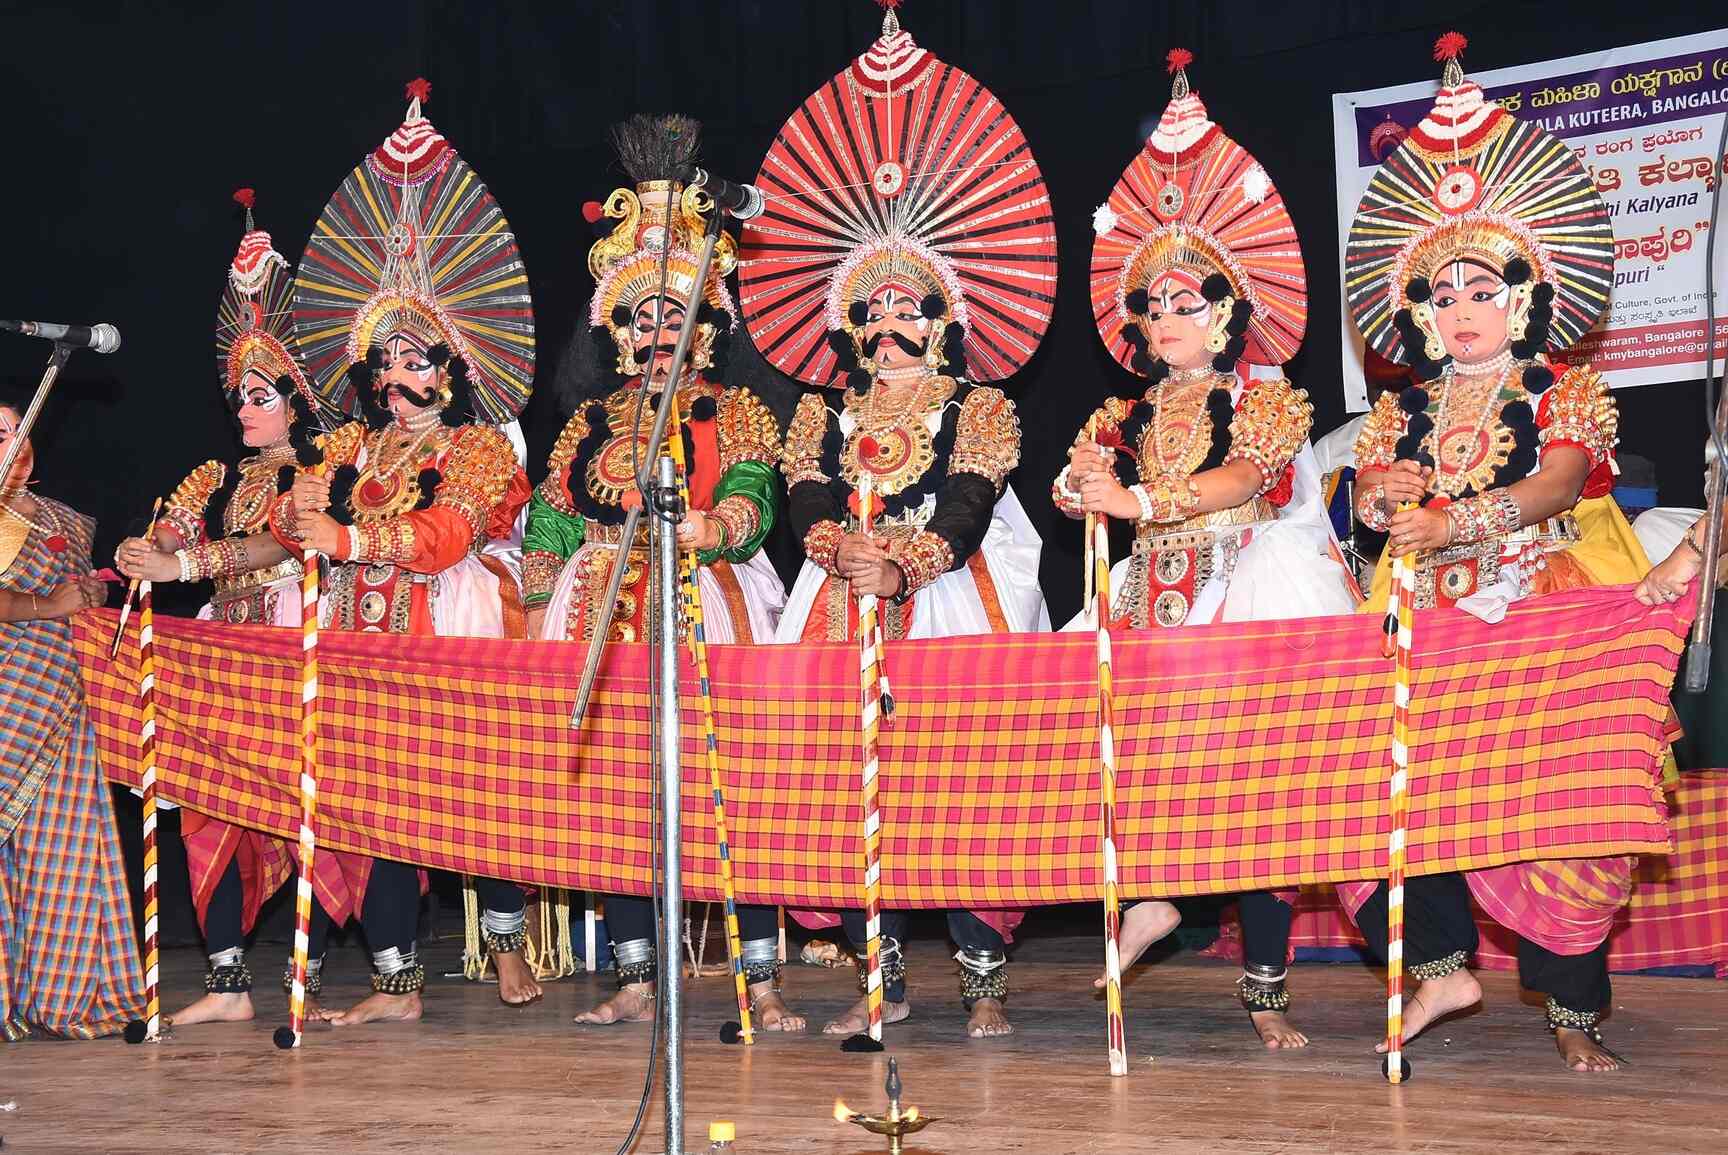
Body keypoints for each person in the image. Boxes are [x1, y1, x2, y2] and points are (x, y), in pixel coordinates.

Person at [737, 1, 1056, 1039]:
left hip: (951, 601)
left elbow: (970, 498)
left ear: (942, 315)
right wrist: (839, 550)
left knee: (963, 783)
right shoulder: (822, 410)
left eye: (905, 306)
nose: (886, 324)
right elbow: (803, 495)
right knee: (846, 785)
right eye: (868, 312)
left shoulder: (982, 405)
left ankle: (982, 981)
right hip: (844, 603)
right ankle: (881, 980)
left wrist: (909, 567)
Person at [1341, 33, 1649, 1072]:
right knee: (1377, 784)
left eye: (1481, 291)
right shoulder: (1401, 408)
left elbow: (1560, 485)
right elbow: (1377, 498)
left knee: (1558, 804)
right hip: (1422, 614)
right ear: (1421, 315)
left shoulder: (1561, 389)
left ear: (1522, 298)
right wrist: (1386, 501)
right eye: (1443, 296)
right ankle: (1439, 964)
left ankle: (1573, 1016)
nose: (1461, 311)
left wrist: (1459, 521)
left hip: (1540, 604)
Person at [1055, 48, 1358, 1049]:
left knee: (1258, 796)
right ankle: (1153, 899)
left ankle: (1266, 989)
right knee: (1139, 773)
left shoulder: (1265, 399)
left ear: (1227, 314)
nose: (1169, 318)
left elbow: (1251, 482)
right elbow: (1079, 485)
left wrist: (1139, 495)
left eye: (1189, 302)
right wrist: (1082, 490)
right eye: (1156, 305)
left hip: (1244, 594)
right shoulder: (1126, 406)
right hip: (1149, 605)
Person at [269, 79, 538, 1024]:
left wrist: (346, 535)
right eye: (383, 360)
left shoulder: (475, 444)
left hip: (443, 623)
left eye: (414, 357)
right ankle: (393, 983)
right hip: (352, 632)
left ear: (454, 366)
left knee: (470, 794)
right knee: (374, 806)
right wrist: (290, 518)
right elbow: (286, 516)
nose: (393, 375)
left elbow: (448, 535)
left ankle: (505, 946)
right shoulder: (348, 444)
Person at [528, 115, 795, 1031]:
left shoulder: (734, 409)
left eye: (671, 315)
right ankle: (637, 975)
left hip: (706, 599)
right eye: (640, 317)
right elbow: (558, 511)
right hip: (601, 611)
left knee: (734, 779)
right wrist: (536, 580)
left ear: (702, 322)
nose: (654, 331)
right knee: (617, 790)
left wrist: (722, 521)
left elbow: (758, 493)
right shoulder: (591, 420)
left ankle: (758, 975)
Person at [115, 191, 349, 1027]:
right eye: (240, 394)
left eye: (263, 393)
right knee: (206, 804)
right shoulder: (214, 475)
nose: (245, 407)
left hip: (294, 638)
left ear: (295, 395)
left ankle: (306, 978)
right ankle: (224, 984)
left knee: (302, 812)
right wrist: (142, 554)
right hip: (223, 646)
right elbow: (167, 526)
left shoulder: (321, 471)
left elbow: (279, 544)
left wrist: (188, 560)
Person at [0, 401, 145, 1039]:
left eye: (9, 429)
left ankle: (67, 998)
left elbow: (78, 593)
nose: (4, 441)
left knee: (68, 851)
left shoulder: (68, 520)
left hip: (62, 702)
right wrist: (46, 603)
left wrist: (92, 595)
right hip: (9, 698)